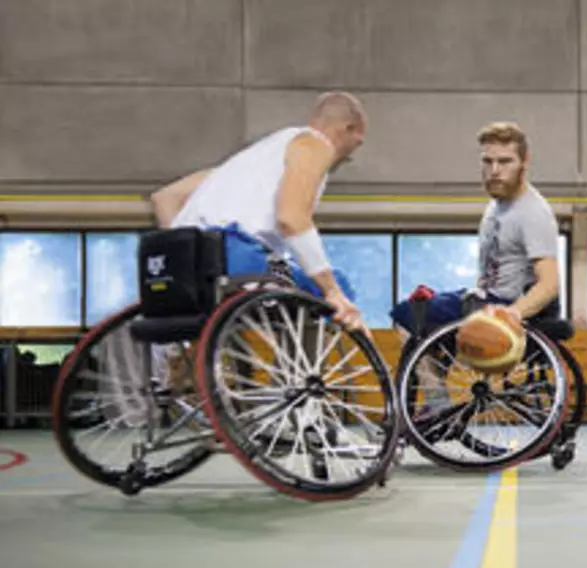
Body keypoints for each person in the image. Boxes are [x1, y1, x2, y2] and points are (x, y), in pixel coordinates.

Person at [149, 91, 368, 332]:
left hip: (178, 263)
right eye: (357, 144)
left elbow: (163, 198)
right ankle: (305, 369)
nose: (350, 156)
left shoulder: (243, 165)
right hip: (232, 255)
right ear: (347, 128)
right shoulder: (315, 145)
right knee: (337, 288)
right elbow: (291, 219)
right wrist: (332, 292)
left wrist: (187, 252)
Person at [390, 121, 561, 411]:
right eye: (488, 161)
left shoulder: (533, 213)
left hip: (502, 306)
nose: (495, 170)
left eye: (505, 161)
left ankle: (435, 402)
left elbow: (550, 283)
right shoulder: (496, 206)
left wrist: (513, 313)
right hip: (483, 298)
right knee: (416, 314)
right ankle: (435, 397)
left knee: (405, 313)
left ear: (524, 162)